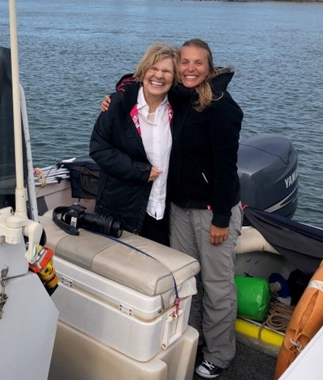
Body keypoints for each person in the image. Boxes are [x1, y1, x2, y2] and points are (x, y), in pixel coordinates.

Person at [100, 39, 243, 379]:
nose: (189, 68)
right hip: (179, 208)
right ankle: (187, 342)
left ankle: (219, 354)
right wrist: (118, 93)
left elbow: (226, 168)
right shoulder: (181, 96)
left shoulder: (222, 108)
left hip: (212, 212)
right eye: (185, 63)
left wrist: (222, 217)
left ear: (209, 68)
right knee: (184, 281)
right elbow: (147, 80)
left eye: (198, 63)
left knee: (217, 285)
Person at [89, 43, 179, 245]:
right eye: (153, 68)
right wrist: (141, 172)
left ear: (175, 78)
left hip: (163, 210)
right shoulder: (119, 104)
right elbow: (98, 148)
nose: (159, 76)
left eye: (166, 71)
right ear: (143, 71)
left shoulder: (179, 108)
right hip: (122, 207)